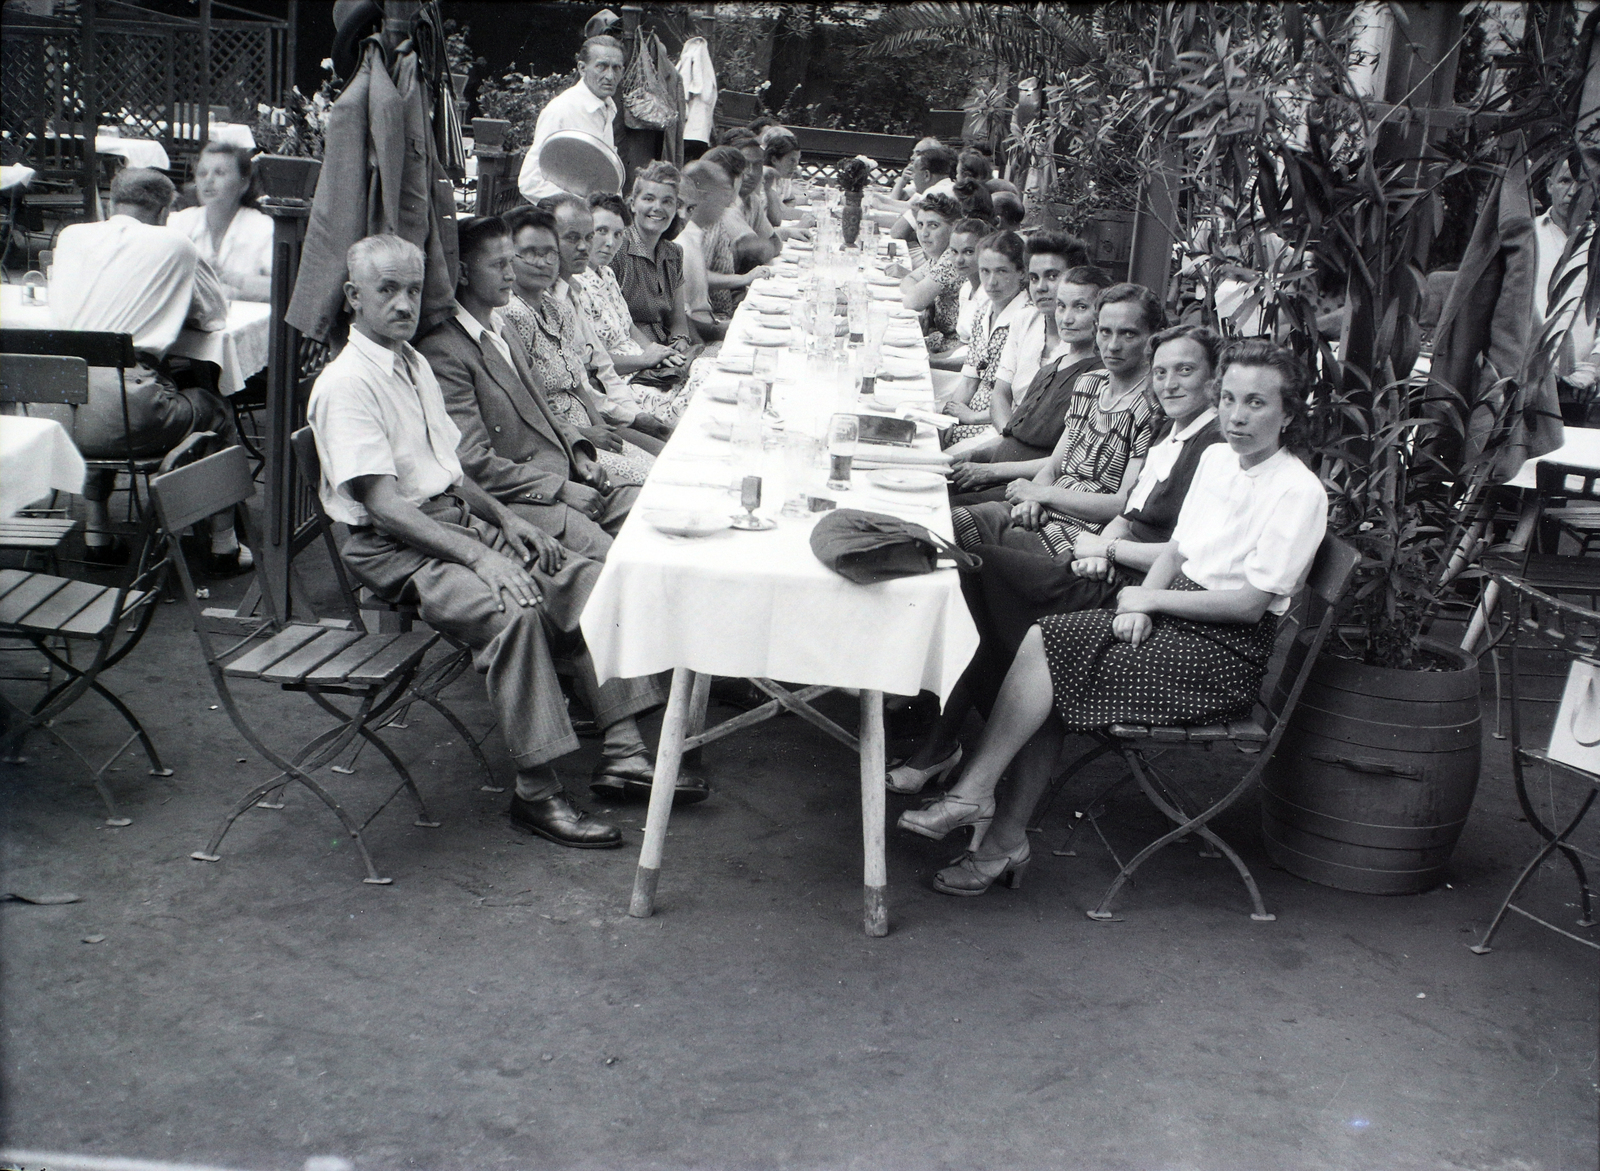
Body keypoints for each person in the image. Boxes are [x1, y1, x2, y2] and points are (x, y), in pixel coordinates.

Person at [313, 236, 706, 844]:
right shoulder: (348, 384)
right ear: (352, 297)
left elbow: (451, 472)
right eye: (386, 289)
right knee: (516, 612)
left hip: (452, 519)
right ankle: (536, 794)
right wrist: (479, 553)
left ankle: (624, 752)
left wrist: (506, 520)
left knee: (588, 581)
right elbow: (384, 505)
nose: (402, 304)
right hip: (394, 546)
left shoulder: (410, 363)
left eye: (413, 290)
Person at [899, 341, 1327, 897]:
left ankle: (986, 815)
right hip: (1173, 613)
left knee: (1050, 657)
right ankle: (987, 815)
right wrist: (1139, 601)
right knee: (1046, 653)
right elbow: (1177, 550)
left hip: (1222, 654)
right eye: (1227, 400)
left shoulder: (1299, 491)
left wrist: (1151, 603)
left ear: (1289, 413)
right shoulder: (1220, 459)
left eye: (1256, 403)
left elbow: (1248, 604)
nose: (1237, 416)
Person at [891, 325, 1225, 798]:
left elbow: (1188, 554)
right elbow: (1130, 513)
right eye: (1164, 371)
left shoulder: (1211, 448)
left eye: (1185, 371)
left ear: (1214, 379)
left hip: (1137, 590)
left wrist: (1104, 549)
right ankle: (945, 734)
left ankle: (946, 735)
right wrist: (1103, 543)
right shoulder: (1175, 436)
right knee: (974, 582)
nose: (1169, 383)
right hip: (1106, 563)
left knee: (974, 575)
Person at [48, 166, 241, 571]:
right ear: (164, 209)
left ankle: (96, 533)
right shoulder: (174, 243)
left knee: (96, 394)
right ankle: (225, 543)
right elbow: (213, 317)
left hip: (53, 414)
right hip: (127, 411)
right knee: (215, 409)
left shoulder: (71, 237)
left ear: (114, 201)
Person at [949, 281, 1162, 561]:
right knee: (948, 521)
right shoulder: (1089, 383)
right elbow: (1054, 466)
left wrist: (1042, 495)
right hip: (1043, 507)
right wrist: (1033, 499)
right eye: (1105, 332)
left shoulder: (1152, 407)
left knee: (979, 557)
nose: (1112, 345)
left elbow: (1121, 503)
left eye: (1128, 334)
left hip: (1083, 527)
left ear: (1152, 338)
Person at [495, 207, 657, 490]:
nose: (543, 262)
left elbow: (578, 381)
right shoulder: (510, 315)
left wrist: (600, 426)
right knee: (651, 484)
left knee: (661, 468)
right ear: (510, 258)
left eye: (550, 253)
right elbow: (529, 402)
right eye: (531, 253)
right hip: (562, 440)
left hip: (592, 426)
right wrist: (586, 434)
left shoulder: (557, 309)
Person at [948, 264, 1111, 500]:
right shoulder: (1051, 368)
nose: (1067, 318)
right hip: (990, 473)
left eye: (1081, 307)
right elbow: (1013, 438)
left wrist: (989, 471)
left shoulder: (1097, 377)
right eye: (1061, 306)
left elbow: (1064, 460)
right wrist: (973, 455)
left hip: (1021, 487)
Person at [536, 192, 670, 446]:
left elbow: (602, 364)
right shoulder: (545, 301)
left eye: (588, 237)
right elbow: (577, 383)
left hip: (601, 409)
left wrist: (635, 415)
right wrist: (629, 419)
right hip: (575, 427)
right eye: (573, 238)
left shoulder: (570, 294)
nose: (585, 247)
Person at [578, 191, 692, 423]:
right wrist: (644, 360)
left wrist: (656, 352)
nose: (610, 243)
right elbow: (589, 363)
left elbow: (628, 327)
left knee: (706, 374)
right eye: (601, 231)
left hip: (644, 368)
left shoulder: (607, 273)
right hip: (620, 382)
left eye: (618, 234)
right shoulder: (575, 286)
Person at [939, 231, 1030, 449]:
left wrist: (971, 417)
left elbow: (1021, 402)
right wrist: (950, 417)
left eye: (1001, 271)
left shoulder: (1027, 318)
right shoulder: (983, 311)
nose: (991, 282)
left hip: (997, 422)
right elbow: (970, 379)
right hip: (971, 410)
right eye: (985, 271)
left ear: (1021, 273)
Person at [516, 34, 624, 201]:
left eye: (616, 68)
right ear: (582, 68)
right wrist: (582, 207)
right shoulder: (562, 109)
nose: (610, 76)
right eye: (601, 66)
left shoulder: (607, 108)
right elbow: (530, 182)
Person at [168, 141, 273, 302]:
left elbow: (283, 288)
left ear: (244, 183)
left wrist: (236, 284)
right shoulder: (179, 222)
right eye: (202, 173)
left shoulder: (263, 228)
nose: (208, 180)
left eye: (220, 173)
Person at [609, 160, 697, 351]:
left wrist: (680, 340)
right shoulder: (617, 248)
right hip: (630, 351)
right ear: (632, 204)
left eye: (667, 201)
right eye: (649, 199)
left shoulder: (673, 253)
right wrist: (654, 353)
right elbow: (614, 323)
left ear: (675, 208)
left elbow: (678, 320)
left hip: (665, 348)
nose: (658, 207)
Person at [1535, 149, 1600, 404]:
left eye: (1583, 182)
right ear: (1550, 186)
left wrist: (1594, 367)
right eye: (1565, 181)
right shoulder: (1526, 237)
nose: (1572, 192)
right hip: (1520, 381)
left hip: (1577, 390)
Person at [893, 192, 964, 346]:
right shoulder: (938, 257)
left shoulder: (952, 259)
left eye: (933, 225)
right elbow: (909, 279)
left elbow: (912, 302)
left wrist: (923, 297)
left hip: (955, 348)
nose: (924, 233)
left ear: (954, 227)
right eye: (920, 225)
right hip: (941, 339)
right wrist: (927, 299)